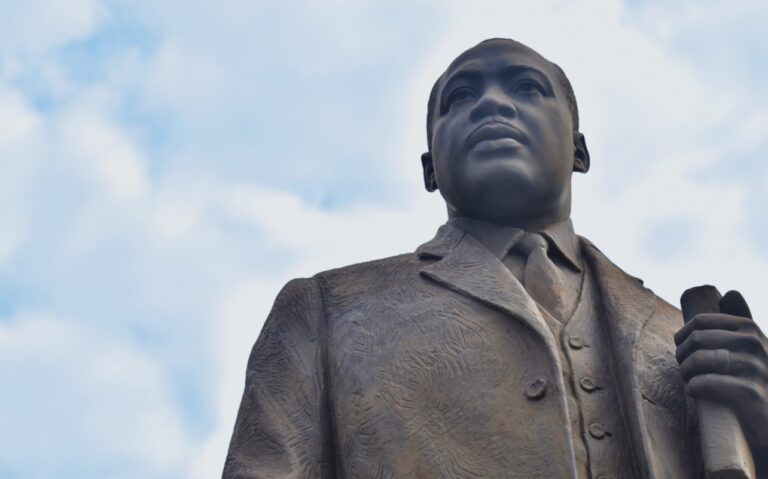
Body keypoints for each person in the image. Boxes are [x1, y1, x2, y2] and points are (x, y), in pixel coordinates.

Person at [223, 38, 768, 478]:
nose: (492, 104)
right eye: (460, 98)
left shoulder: (678, 335)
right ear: (429, 167)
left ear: (579, 150)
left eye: (528, 88)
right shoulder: (326, 311)